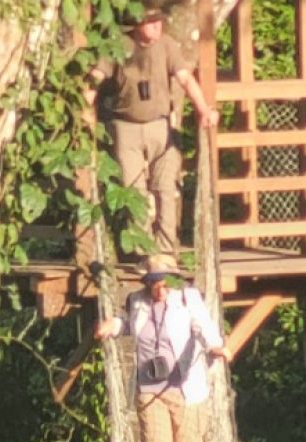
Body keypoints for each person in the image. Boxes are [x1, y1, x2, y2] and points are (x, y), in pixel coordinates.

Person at [95, 256, 231, 442]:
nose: (159, 286)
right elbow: (130, 324)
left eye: (163, 280)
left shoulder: (187, 299)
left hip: (186, 389)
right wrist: (114, 325)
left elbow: (202, 326)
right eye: (153, 281)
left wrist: (216, 346)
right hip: (150, 390)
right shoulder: (137, 301)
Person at [88, 4, 219, 254]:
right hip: (126, 126)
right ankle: (143, 253)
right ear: (138, 26)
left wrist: (204, 110)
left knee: (165, 187)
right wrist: (83, 110)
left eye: (159, 22)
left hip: (160, 125)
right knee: (133, 190)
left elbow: (185, 78)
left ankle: (167, 250)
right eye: (150, 23)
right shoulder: (120, 45)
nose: (157, 27)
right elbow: (95, 77)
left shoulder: (168, 45)